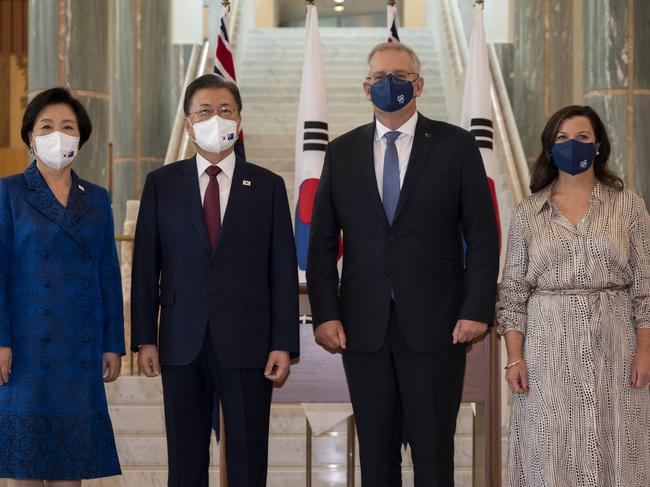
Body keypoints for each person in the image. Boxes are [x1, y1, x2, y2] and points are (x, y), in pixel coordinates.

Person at [307, 42, 500, 486]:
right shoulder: (341, 152)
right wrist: (325, 314)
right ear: (365, 87)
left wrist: (475, 310)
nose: (388, 84)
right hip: (362, 328)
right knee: (376, 456)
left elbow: (483, 235)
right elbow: (320, 244)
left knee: (434, 455)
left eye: (399, 75)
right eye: (378, 77)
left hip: (438, 325)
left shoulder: (457, 145)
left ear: (419, 84)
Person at [131, 73, 299, 487]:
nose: (216, 118)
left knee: (247, 459)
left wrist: (284, 343)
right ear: (188, 124)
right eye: (204, 111)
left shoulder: (268, 186)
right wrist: (145, 339)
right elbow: (145, 268)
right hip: (180, 340)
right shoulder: (161, 184)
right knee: (185, 461)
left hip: (248, 342)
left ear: (239, 123)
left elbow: (281, 270)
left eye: (226, 110)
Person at [497, 105, 650, 486]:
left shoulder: (628, 205)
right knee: (548, 447)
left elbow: (646, 287)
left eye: (582, 137)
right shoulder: (529, 212)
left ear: (598, 146)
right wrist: (514, 358)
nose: (573, 145)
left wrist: (645, 351)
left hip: (615, 345)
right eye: (562, 138)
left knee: (616, 444)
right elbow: (513, 293)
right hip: (546, 347)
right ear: (550, 148)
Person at [0, 88, 124, 486]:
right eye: (47, 126)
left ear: (81, 137)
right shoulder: (9, 192)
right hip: (24, 349)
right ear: (31, 137)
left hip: (79, 351)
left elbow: (108, 272)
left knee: (71, 472)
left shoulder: (98, 199)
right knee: (23, 469)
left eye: (67, 126)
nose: (58, 134)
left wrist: (112, 343)